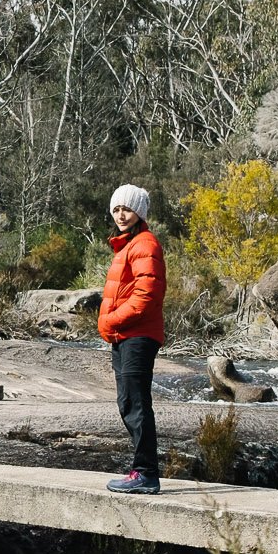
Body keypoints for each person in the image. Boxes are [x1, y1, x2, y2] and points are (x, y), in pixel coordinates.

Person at [98, 183, 165, 494]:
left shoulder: (144, 244)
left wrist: (111, 321)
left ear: (139, 211)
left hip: (137, 336)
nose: (120, 214)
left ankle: (146, 474)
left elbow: (146, 295)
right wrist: (112, 327)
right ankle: (141, 470)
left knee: (136, 404)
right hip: (124, 335)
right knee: (127, 402)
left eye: (126, 208)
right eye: (116, 209)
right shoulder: (126, 246)